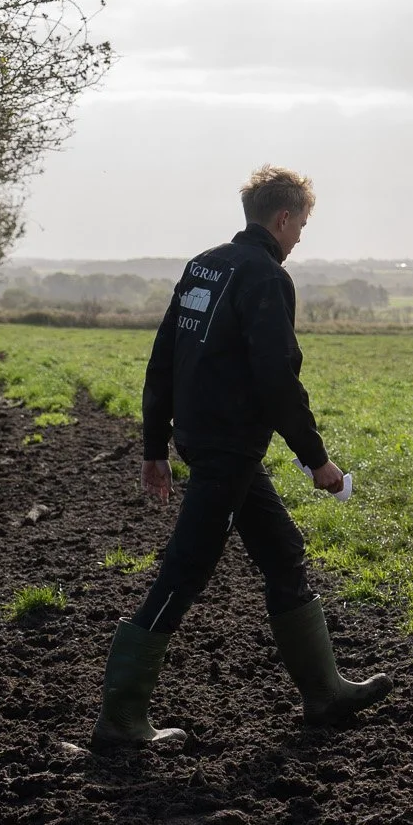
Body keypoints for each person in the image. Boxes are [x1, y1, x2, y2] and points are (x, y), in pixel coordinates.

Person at [91, 165, 391, 749]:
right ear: (282, 218)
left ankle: (324, 693)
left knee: (283, 552)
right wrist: (316, 460)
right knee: (183, 574)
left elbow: (162, 359)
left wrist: (155, 446)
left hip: (211, 443)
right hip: (227, 450)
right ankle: (121, 717)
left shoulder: (205, 265)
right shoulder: (267, 277)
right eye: (301, 225)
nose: (300, 236)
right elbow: (278, 379)